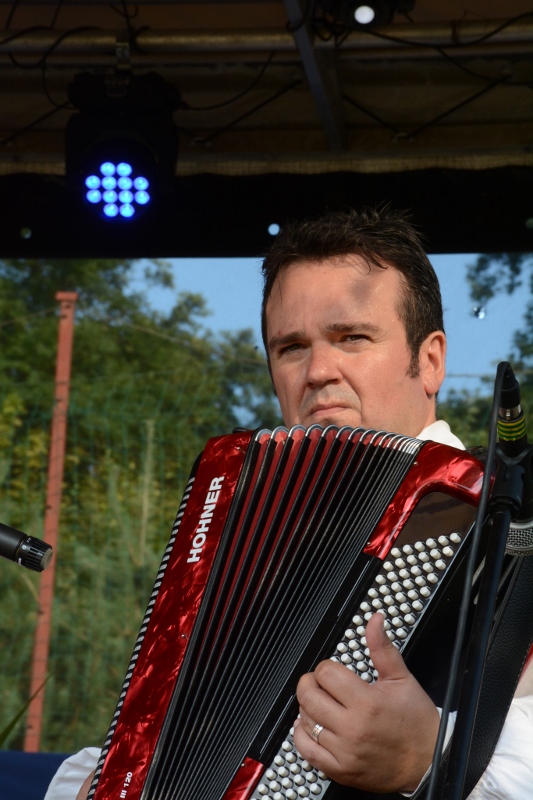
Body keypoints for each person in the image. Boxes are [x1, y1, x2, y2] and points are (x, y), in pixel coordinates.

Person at [45, 206, 533, 800]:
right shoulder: (246, 529)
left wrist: (426, 758)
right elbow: (156, 732)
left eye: (352, 338)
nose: (319, 370)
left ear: (429, 361)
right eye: (292, 347)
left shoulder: (511, 527)